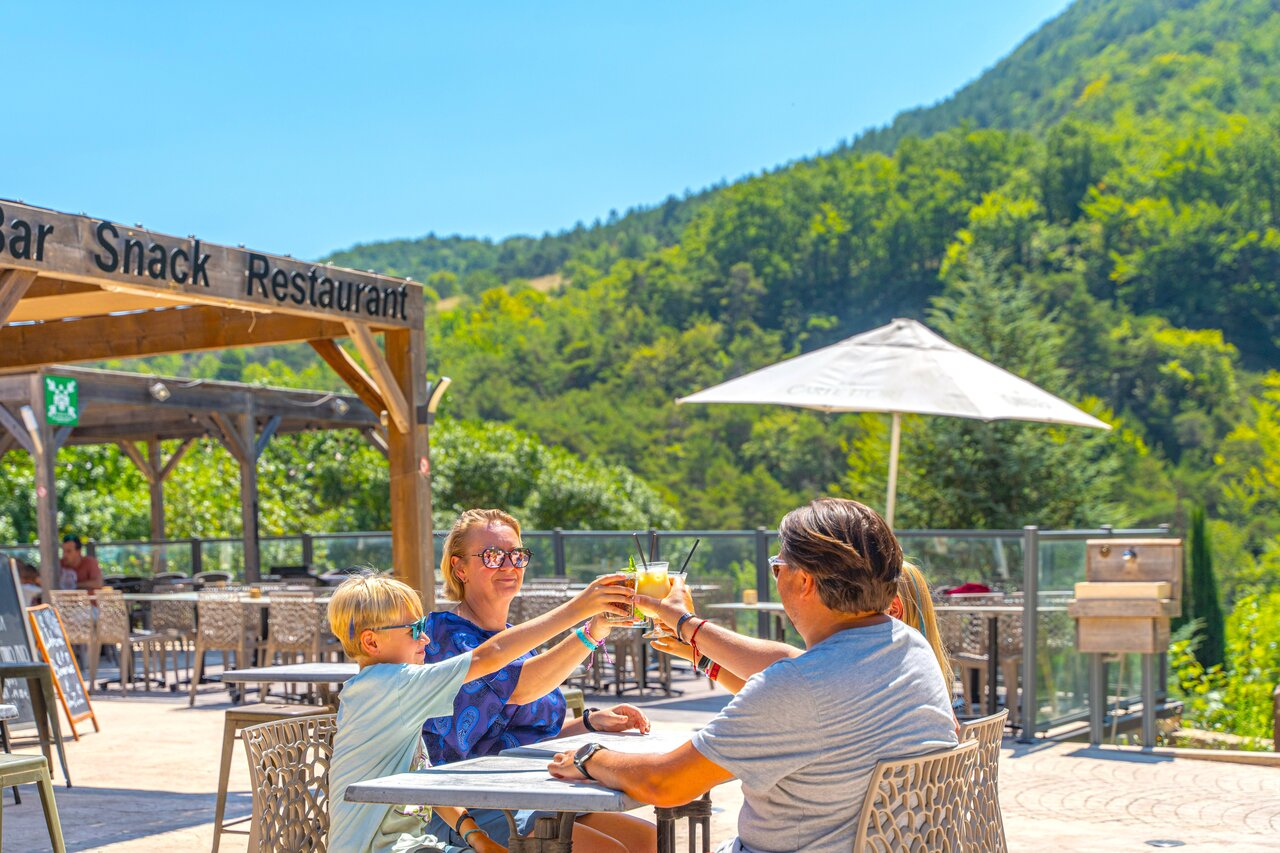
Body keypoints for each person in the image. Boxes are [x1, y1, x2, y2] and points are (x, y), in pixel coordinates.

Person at [547, 498, 958, 853]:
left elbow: (664, 784)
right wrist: (689, 628)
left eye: (778, 567)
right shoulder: (909, 647)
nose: (776, 576)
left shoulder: (798, 689)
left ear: (804, 580)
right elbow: (793, 666)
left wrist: (590, 757)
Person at [327, 569, 635, 853]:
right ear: (371, 641)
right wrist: (578, 608)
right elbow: (490, 656)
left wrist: (477, 837)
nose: (425, 637)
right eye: (414, 629)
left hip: (413, 843)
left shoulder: (390, 694)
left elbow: (424, 779)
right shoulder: (391, 684)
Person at [421, 508, 657, 853]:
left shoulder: (515, 639)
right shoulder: (442, 636)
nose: (509, 566)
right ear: (460, 568)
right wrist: (581, 613)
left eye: (517, 555)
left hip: (530, 791)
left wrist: (589, 723)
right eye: (492, 556)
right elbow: (520, 688)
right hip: (467, 805)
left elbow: (521, 735)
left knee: (649, 840)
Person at [652, 559, 955, 699]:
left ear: (893, 609)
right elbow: (774, 689)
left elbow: (784, 677)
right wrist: (699, 654)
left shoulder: (852, 675)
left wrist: (687, 625)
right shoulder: (918, 669)